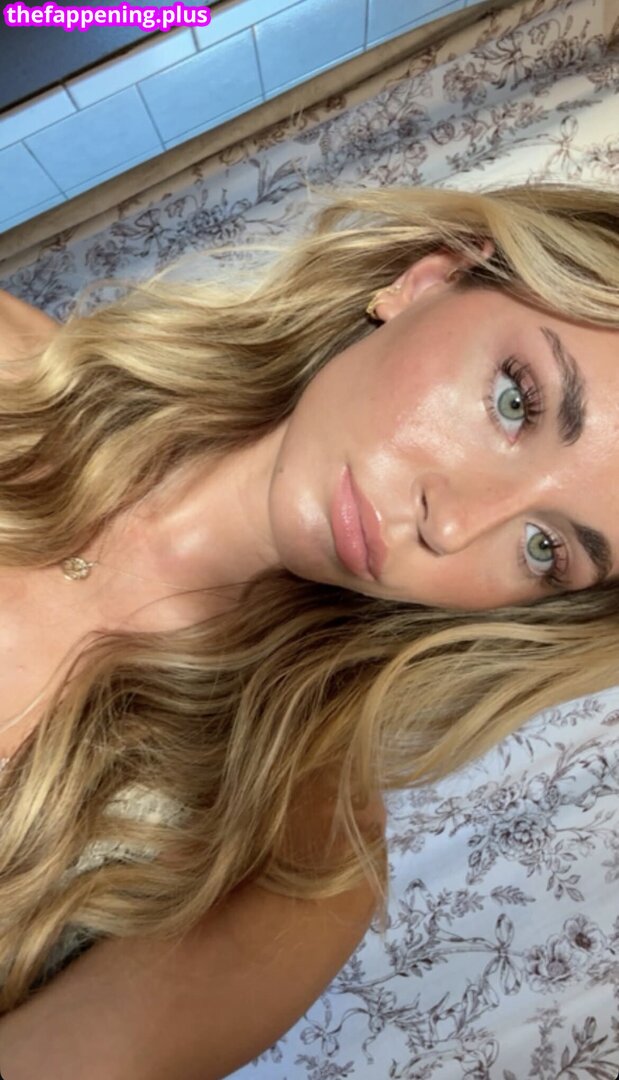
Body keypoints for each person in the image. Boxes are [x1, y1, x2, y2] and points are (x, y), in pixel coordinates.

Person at [0, 178, 618, 1076]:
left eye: (543, 548)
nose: (451, 527)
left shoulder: (296, 861)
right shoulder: (15, 374)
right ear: (428, 279)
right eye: (514, 402)